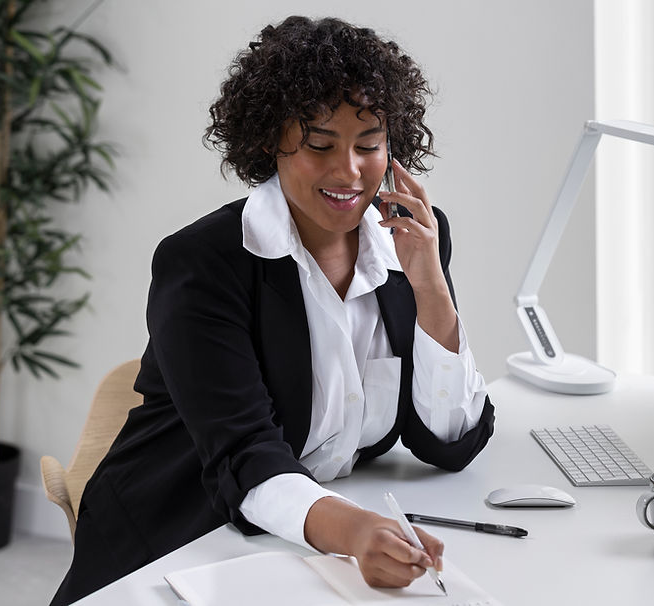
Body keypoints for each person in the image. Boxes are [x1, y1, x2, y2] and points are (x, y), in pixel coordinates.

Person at [50, 15, 495, 605]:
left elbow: (447, 443)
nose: (349, 171)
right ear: (269, 141)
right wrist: (355, 531)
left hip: (299, 543)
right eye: (319, 145)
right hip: (179, 541)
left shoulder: (413, 240)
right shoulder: (202, 264)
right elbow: (245, 455)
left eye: (369, 145)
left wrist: (430, 284)